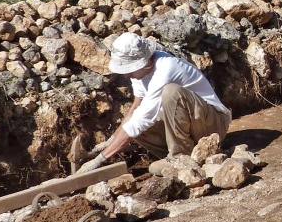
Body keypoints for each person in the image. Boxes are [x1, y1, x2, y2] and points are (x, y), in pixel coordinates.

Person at [77, 32, 232, 172]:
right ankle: (180, 154)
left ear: (143, 63)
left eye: (129, 70)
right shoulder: (140, 73)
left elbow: (143, 118)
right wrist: (111, 140)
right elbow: (136, 107)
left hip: (213, 125)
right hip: (193, 126)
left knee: (171, 93)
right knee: (133, 123)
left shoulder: (166, 68)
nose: (126, 75)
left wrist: (100, 159)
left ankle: (179, 158)